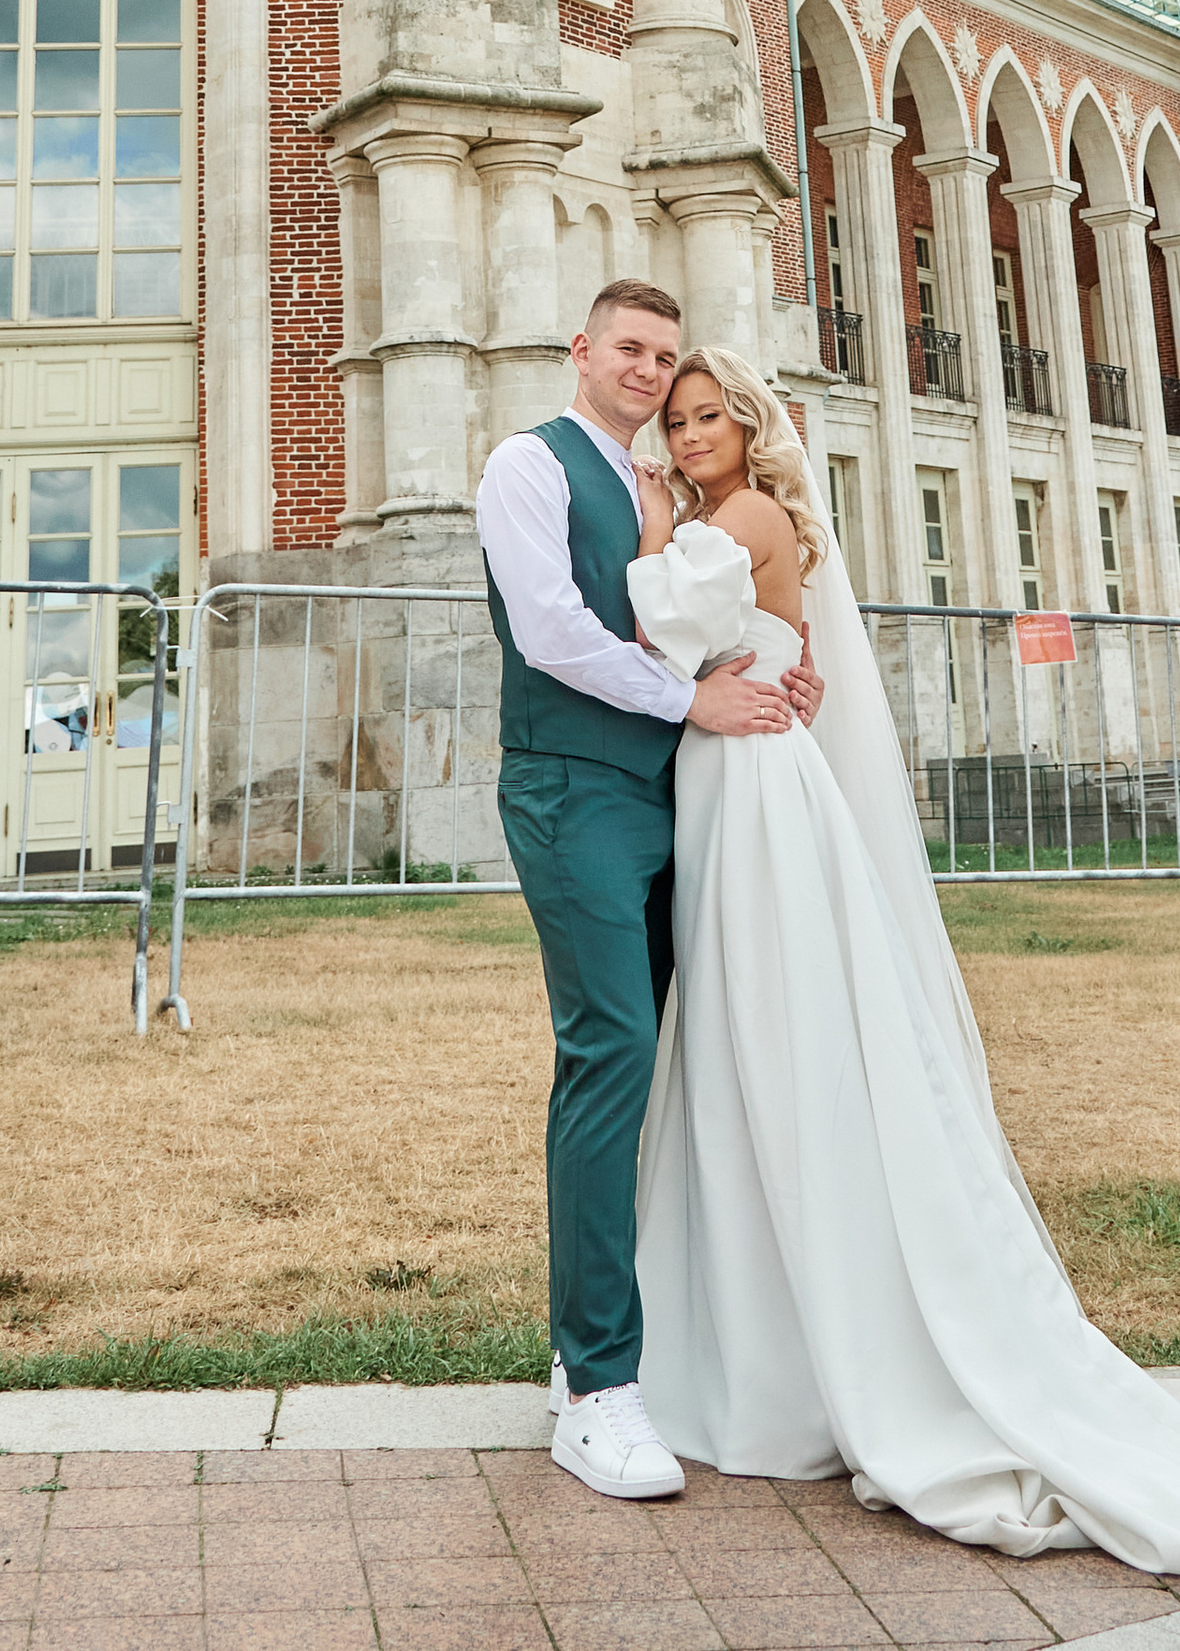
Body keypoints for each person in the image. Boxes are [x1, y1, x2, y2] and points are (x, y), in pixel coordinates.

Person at [623, 346, 1180, 1586]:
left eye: (709, 416)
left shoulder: (743, 514)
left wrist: (652, 515)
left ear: (752, 431)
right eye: (678, 418)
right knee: (742, 1031)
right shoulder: (748, 520)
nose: (692, 432)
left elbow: (658, 617)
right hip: (736, 772)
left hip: (751, 783)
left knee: (764, 1023)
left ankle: (787, 1354)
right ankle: (758, 1330)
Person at [474, 280, 822, 1504]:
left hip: (691, 789)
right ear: (582, 351)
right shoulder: (527, 465)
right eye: (629, 349)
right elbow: (553, 633)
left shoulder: (665, 492)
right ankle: (595, 1383)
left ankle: (666, 1340)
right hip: (576, 794)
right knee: (611, 1049)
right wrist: (697, 699)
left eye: (664, 357)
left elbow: (712, 620)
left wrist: (777, 667)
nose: (647, 372)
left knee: (690, 1055)